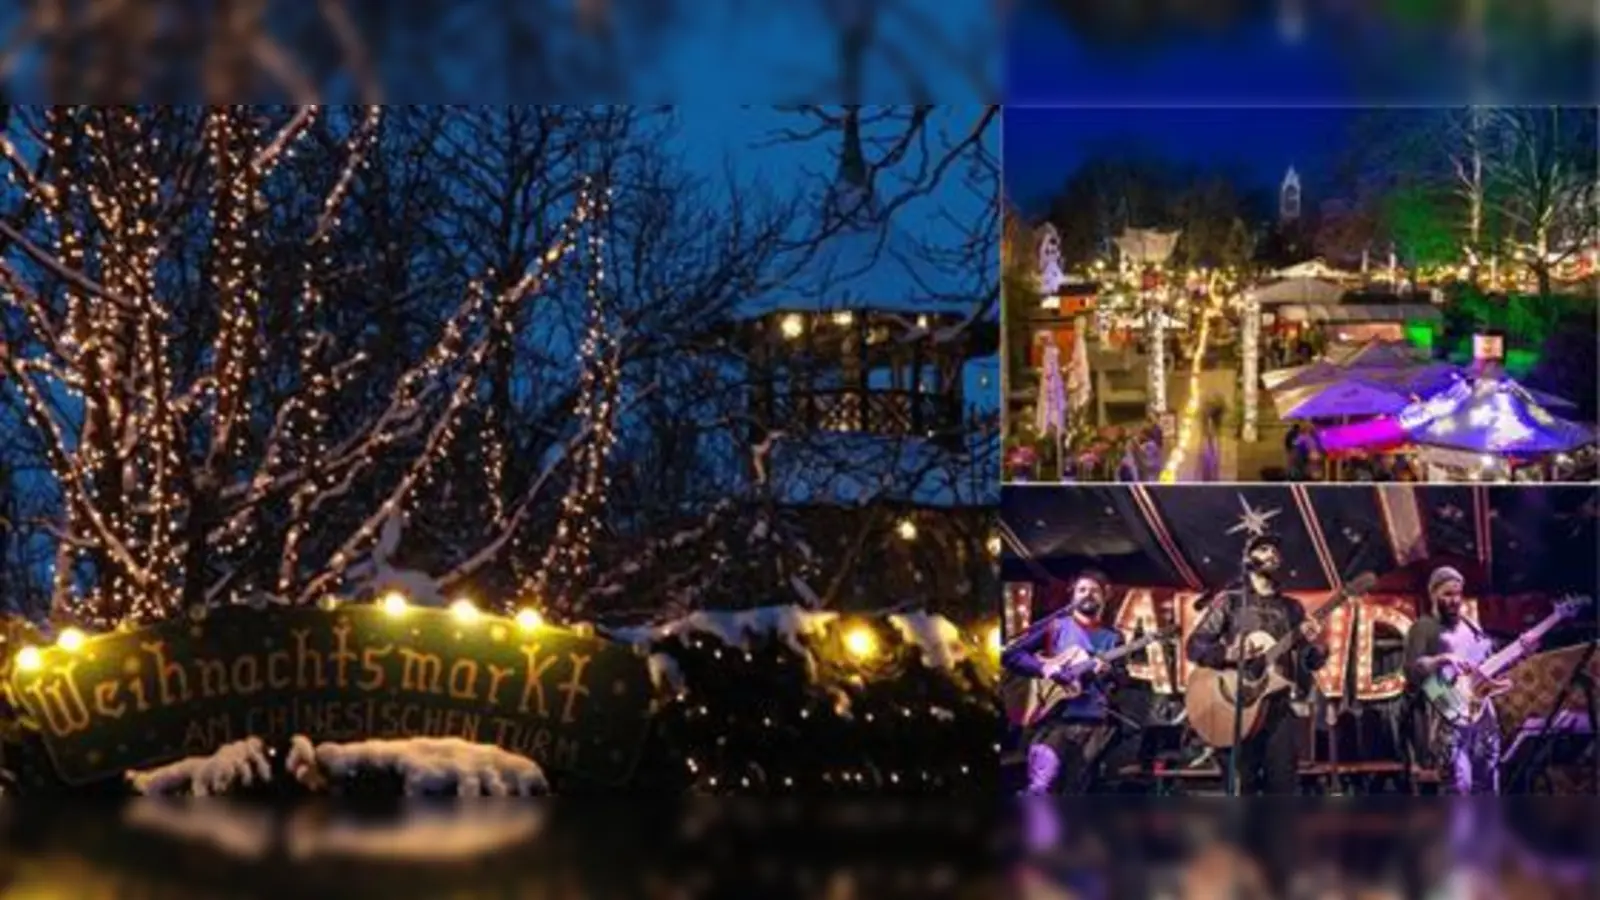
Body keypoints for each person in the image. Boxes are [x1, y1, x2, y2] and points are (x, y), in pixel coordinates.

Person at [1186, 534, 1328, 794]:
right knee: (1241, 788)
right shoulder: (1230, 601)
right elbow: (1195, 647)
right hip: (1235, 705)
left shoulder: (1292, 608)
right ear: (1248, 558)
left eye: (1275, 551)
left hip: (1277, 708)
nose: (1272, 554)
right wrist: (1229, 653)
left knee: (1283, 788)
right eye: (1263, 549)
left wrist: (1317, 648)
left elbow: (1307, 660)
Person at [1002, 570, 1124, 794]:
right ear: (1072, 595)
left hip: (1093, 724)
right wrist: (1044, 668)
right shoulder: (1056, 626)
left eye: (1094, 591)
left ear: (1104, 596)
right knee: (1041, 785)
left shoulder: (1113, 638)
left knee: (1075, 791)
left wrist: (1107, 673)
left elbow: (1120, 680)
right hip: (1053, 719)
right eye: (1082, 590)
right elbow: (1012, 655)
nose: (1088, 595)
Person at [1404, 566, 1521, 795]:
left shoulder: (1471, 625)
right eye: (1447, 594)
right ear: (1433, 594)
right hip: (1445, 700)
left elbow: (1487, 662)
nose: (1455, 600)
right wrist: (1443, 659)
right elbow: (1411, 669)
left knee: (1489, 769)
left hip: (1480, 706)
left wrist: (1514, 657)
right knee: (1457, 778)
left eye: (1458, 594)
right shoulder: (1423, 627)